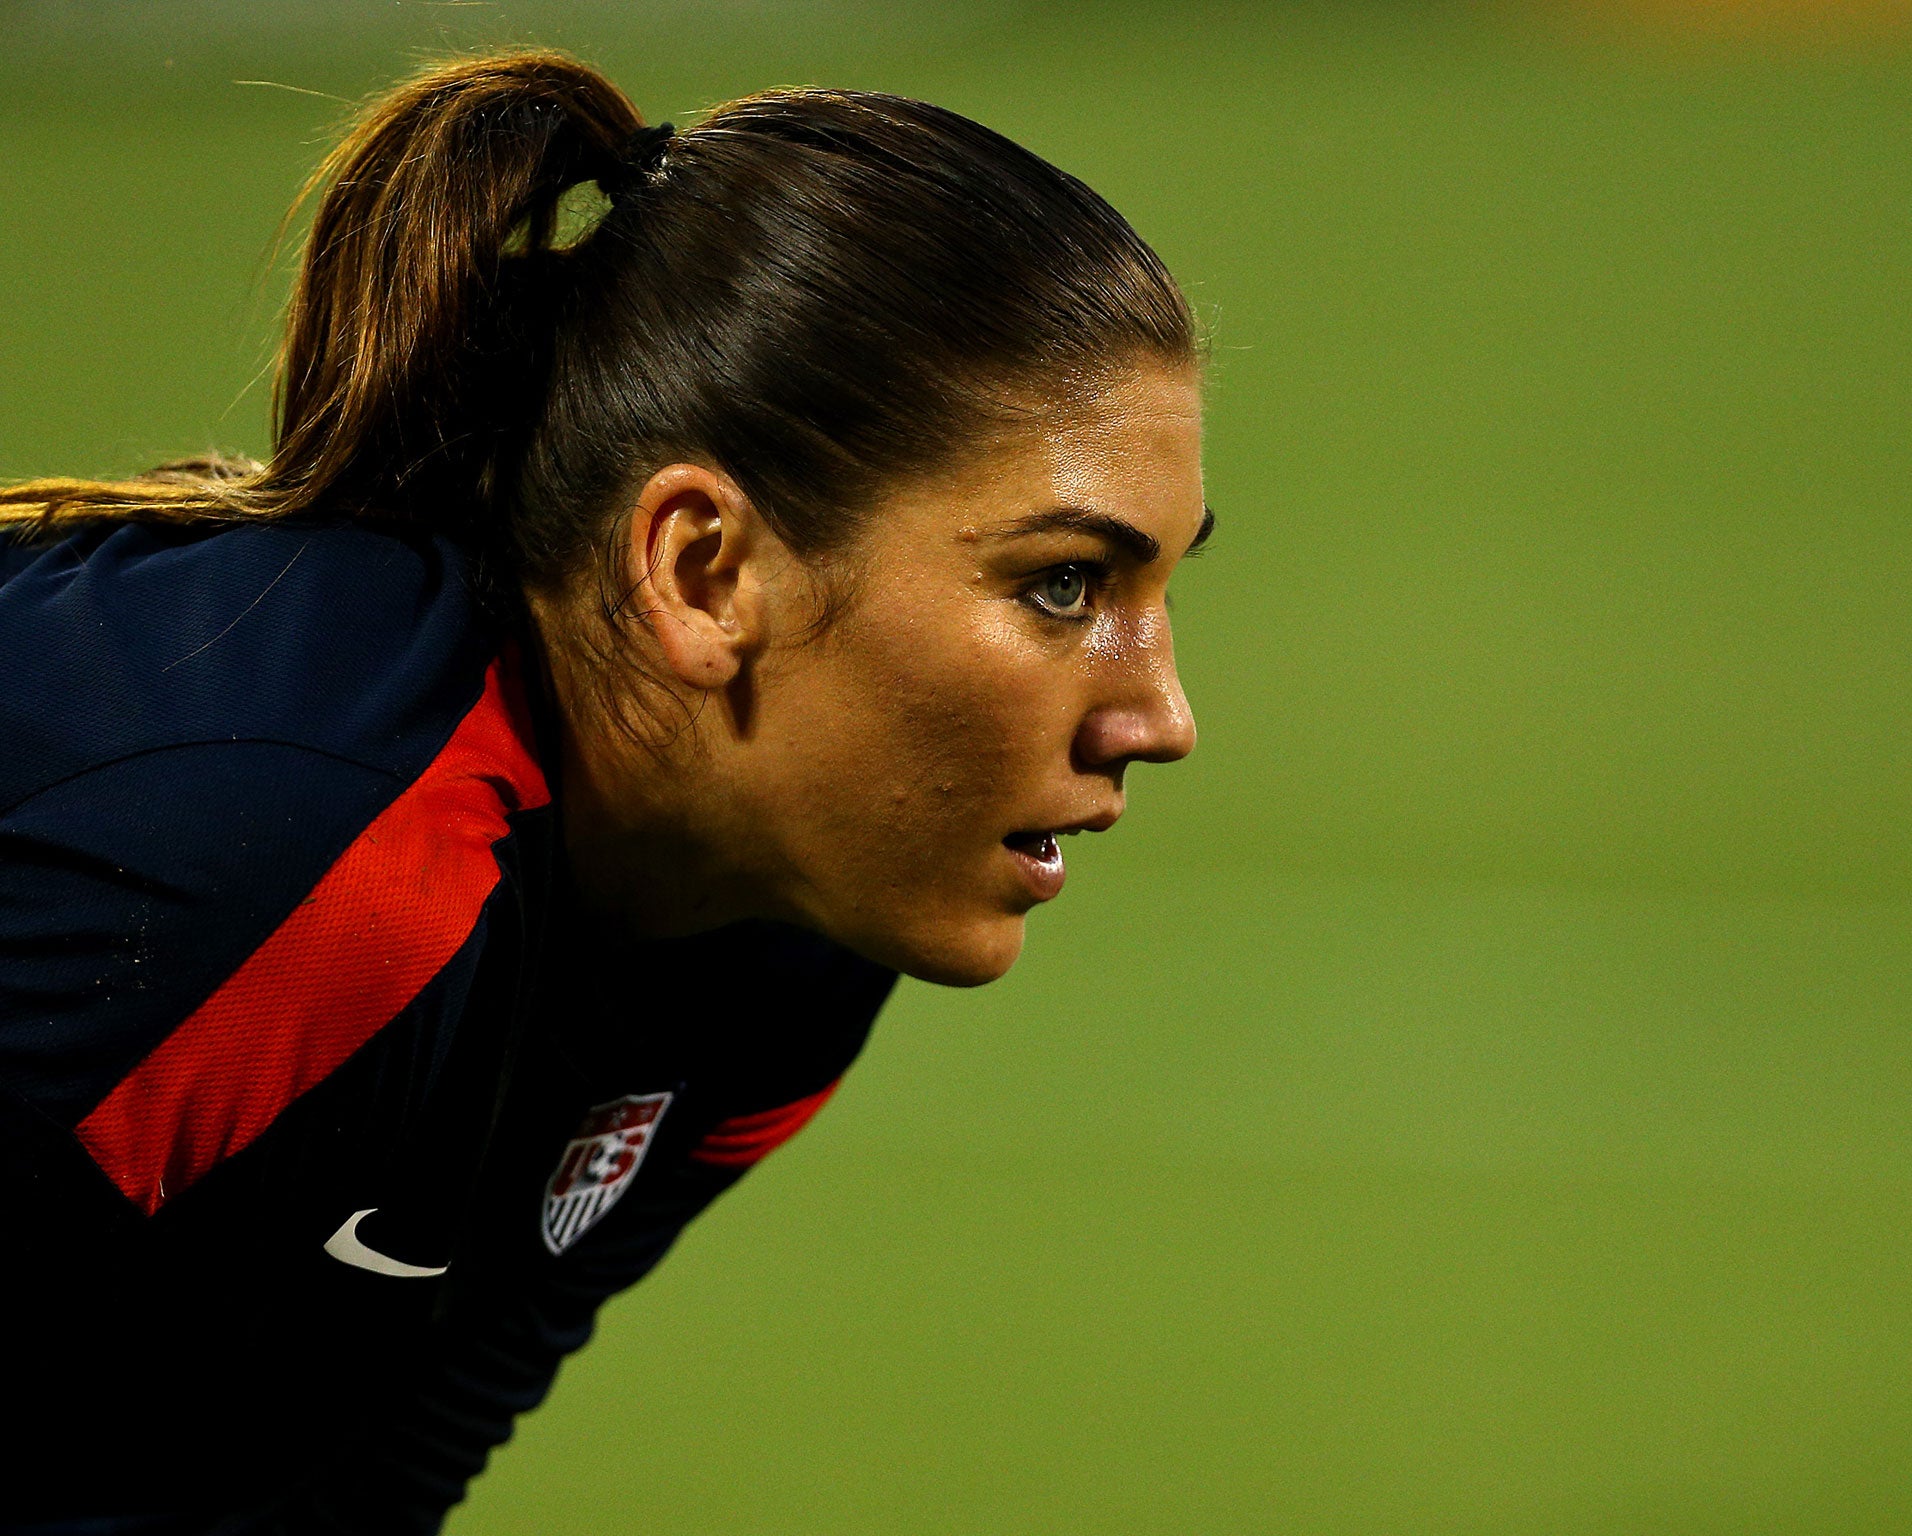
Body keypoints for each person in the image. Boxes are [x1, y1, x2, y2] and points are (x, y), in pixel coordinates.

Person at [0, 47, 1207, 1536]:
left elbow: (372, 1452)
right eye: (1064, 583)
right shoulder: (283, 863)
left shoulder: (791, 939)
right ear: (706, 568)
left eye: (1160, 584)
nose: (1161, 715)